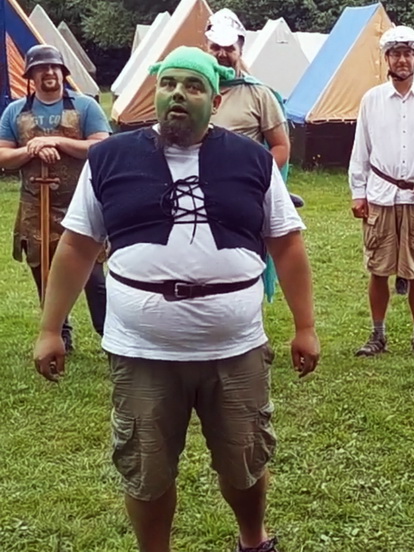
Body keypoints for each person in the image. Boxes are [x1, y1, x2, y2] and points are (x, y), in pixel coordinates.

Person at [31, 46, 320, 552]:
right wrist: (50, 328)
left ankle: (253, 541)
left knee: (245, 461)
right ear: (155, 93)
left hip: (235, 348)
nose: (178, 95)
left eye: (192, 86)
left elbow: (286, 243)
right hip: (143, 351)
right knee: (146, 470)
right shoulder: (110, 157)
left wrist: (305, 326)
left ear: (215, 100)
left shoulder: (253, 160)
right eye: (168, 85)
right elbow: (76, 246)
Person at [348, 25, 414, 360]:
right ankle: (377, 335)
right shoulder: (372, 100)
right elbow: (361, 150)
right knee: (378, 269)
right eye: (395, 54)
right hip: (380, 197)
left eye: (408, 54)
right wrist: (358, 192)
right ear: (387, 59)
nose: (402, 60)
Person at [0, 44, 110, 352]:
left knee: (94, 278)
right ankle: (59, 336)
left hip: (80, 204)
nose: (49, 72)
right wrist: (31, 148)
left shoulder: (85, 107)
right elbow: (3, 155)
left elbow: (101, 146)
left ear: (63, 72)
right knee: (45, 275)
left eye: (54, 67)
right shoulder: (15, 112)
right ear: (31, 75)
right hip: (35, 207)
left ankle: (110, 335)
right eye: (41, 68)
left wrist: (56, 141)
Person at [205, 8, 303, 208]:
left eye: (229, 48)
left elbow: (281, 147)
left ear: (240, 51)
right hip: (198, 189)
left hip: (244, 193)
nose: (221, 54)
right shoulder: (193, 90)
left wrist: (254, 177)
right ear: (205, 48)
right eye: (215, 47)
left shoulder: (259, 94)